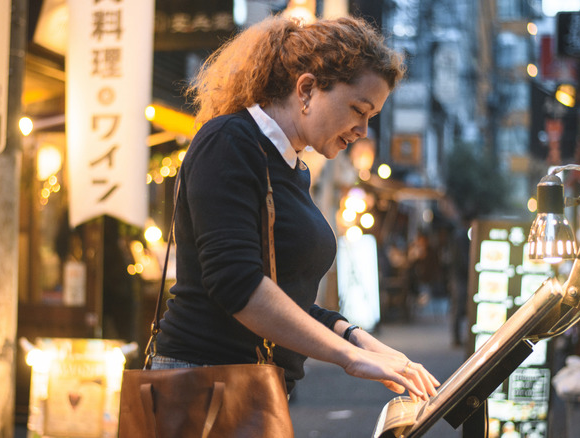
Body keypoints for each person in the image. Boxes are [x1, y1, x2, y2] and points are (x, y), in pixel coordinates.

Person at [153, 14, 440, 405]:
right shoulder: (229, 141)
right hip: (204, 387)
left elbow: (289, 301)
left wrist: (363, 341)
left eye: (371, 118)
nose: (363, 131)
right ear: (306, 89)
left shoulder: (291, 167)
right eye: (359, 109)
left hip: (248, 387)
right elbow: (237, 285)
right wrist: (350, 359)